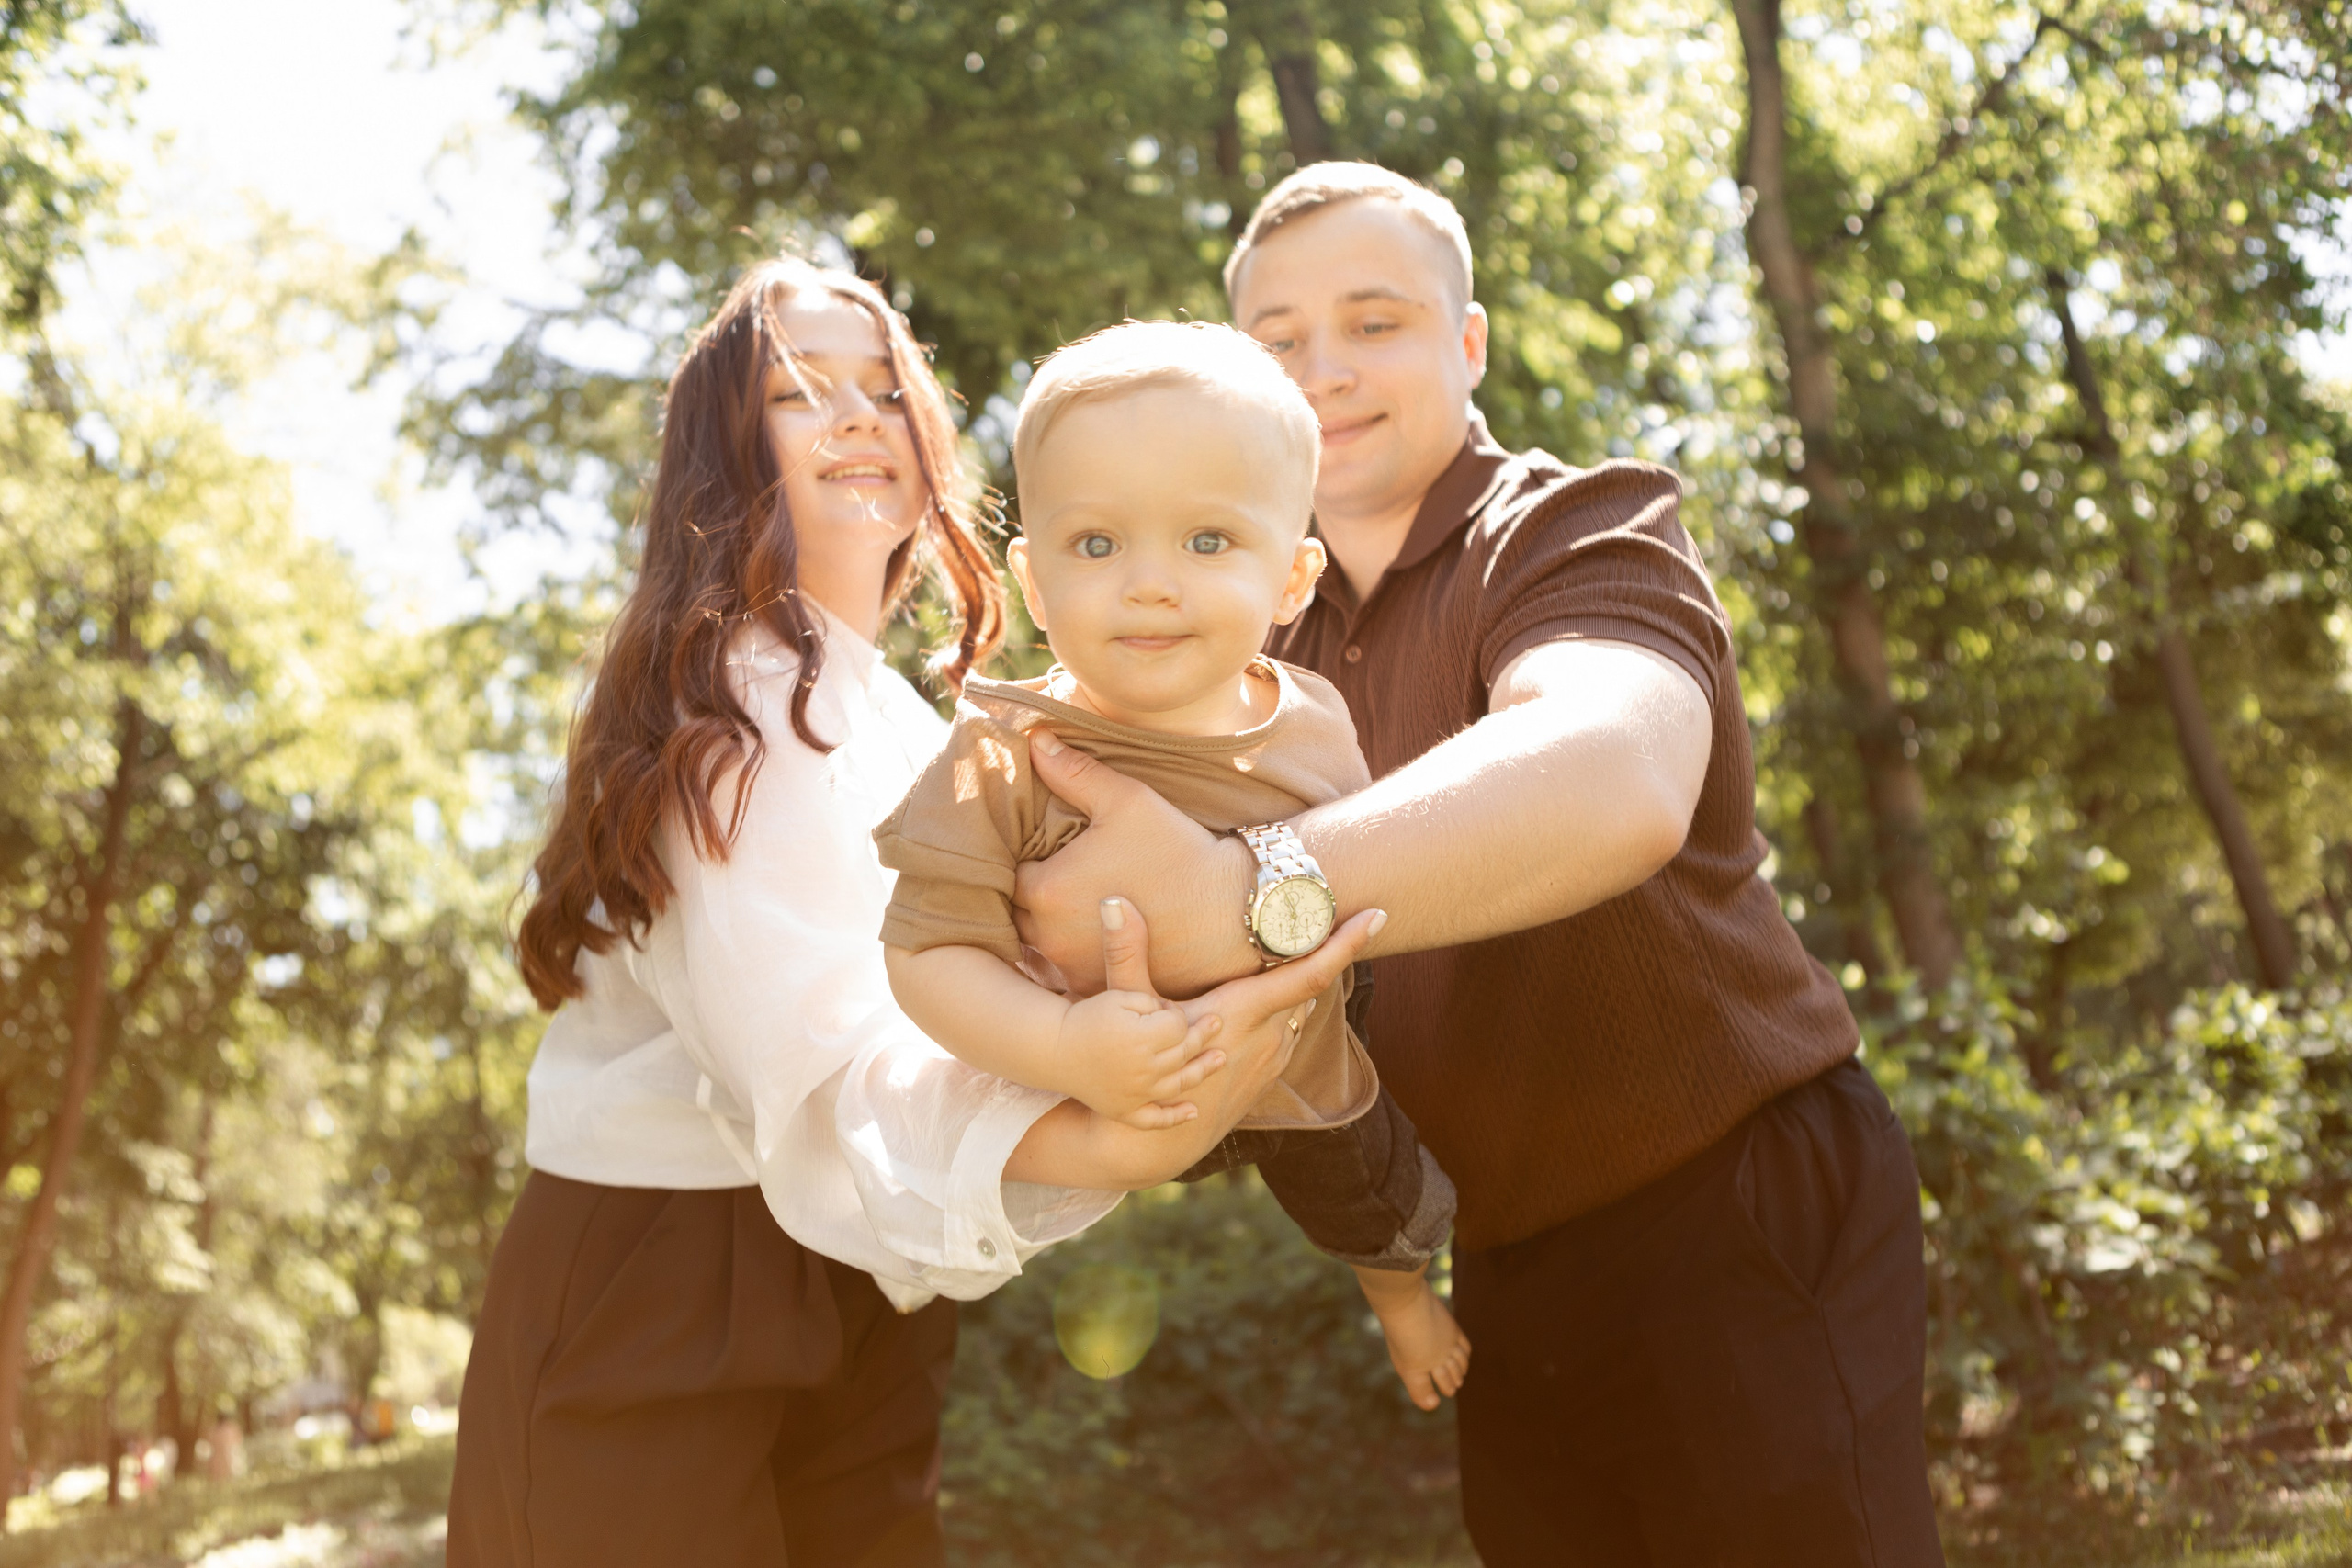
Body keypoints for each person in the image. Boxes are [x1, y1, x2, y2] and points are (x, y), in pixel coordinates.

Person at [1010, 164, 1945, 1565]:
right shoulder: (1249, 659)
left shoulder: (1576, 526)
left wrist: (1237, 892)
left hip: (1735, 1189)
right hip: (1503, 1259)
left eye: (1374, 320)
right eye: (1276, 341)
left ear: (1469, 343)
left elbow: (1611, 773)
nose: (1324, 369)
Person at [445, 256, 1376, 1568]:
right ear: (723, 444)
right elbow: (825, 1071)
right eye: (798, 391)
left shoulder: (902, 712)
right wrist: (1100, 1127)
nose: (857, 417)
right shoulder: (729, 693)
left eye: (886, 388)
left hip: (859, 1282)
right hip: (658, 1273)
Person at [875, 320, 1469, 1410]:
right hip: (1114, 1081)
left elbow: (1369, 863)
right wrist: (1065, 1044)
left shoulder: (1314, 719)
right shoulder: (1007, 753)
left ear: (1292, 579)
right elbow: (922, 949)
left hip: (1296, 1055)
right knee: (981, 1185)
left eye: (1207, 543)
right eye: (1097, 545)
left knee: (1373, 1191)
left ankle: (1399, 1301)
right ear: (1035, 582)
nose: (1151, 585)